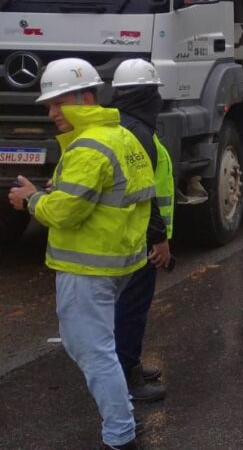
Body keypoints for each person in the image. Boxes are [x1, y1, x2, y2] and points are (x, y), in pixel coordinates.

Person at [7, 58, 155, 450]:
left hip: (87, 265)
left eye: (58, 102)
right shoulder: (121, 136)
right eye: (48, 105)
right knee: (97, 347)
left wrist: (31, 199)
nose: (51, 112)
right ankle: (123, 417)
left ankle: (120, 434)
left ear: (86, 97)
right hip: (117, 260)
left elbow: (64, 213)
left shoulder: (88, 148)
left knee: (92, 350)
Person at [109, 58, 174, 404]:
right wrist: (159, 239)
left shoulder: (121, 126)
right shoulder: (139, 135)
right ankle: (127, 376)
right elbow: (144, 193)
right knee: (132, 307)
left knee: (127, 306)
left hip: (127, 234)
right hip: (138, 239)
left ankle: (128, 363)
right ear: (147, 96)